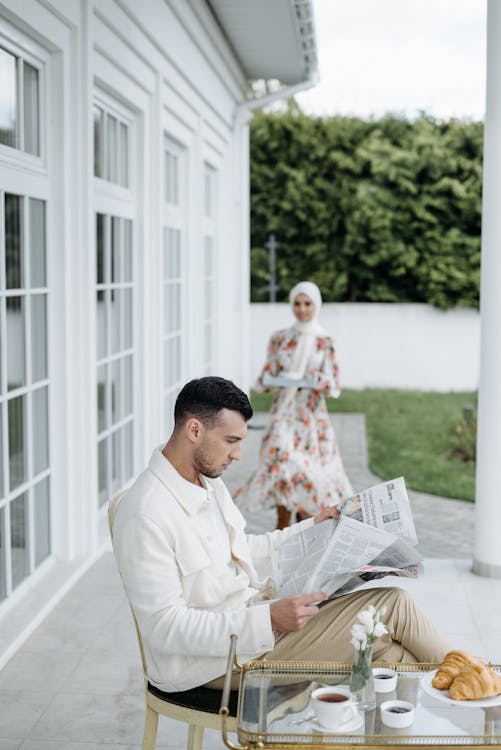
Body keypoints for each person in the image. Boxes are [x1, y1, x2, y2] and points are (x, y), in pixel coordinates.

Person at [111, 376, 450, 694]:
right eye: (231, 441)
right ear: (194, 430)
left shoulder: (206, 481)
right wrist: (268, 619)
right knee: (394, 605)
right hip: (211, 663)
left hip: (251, 624)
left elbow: (242, 547)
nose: (238, 455)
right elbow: (165, 630)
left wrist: (313, 526)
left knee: (389, 656)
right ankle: (482, 687)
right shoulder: (145, 514)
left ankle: (471, 694)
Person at [234, 281, 353, 529]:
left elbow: (335, 385)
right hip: (284, 414)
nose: (302, 309)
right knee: (282, 466)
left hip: (310, 417)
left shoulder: (324, 340)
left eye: (307, 303)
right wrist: (268, 381)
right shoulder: (280, 338)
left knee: (307, 475)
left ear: (316, 305)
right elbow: (266, 377)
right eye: (297, 303)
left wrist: (319, 381)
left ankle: (304, 530)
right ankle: (281, 530)